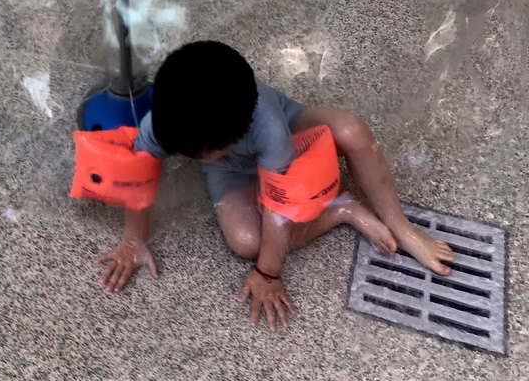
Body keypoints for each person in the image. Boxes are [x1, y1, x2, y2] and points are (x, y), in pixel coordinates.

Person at [94, 41, 455, 331]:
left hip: (293, 131)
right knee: (246, 242)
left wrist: (269, 273)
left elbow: (277, 206)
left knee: (351, 131)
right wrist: (133, 239)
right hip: (232, 171)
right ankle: (343, 210)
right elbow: (139, 176)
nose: (181, 156)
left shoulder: (268, 126)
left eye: (191, 154)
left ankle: (401, 226)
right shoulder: (165, 121)